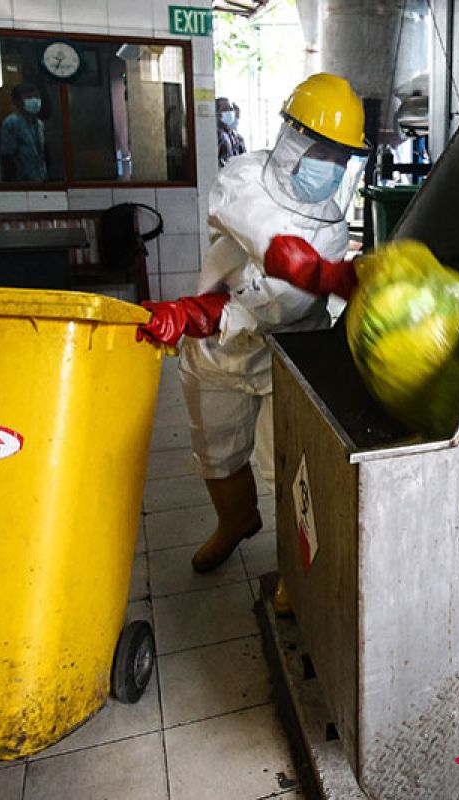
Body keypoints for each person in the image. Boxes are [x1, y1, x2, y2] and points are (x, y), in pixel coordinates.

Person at [137, 74, 368, 609]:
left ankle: (295, 570)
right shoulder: (243, 177)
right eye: (320, 148)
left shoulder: (331, 227)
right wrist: (312, 270)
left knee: (285, 468)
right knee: (215, 452)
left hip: (283, 357)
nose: (329, 165)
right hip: (213, 353)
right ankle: (235, 522)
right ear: (291, 140)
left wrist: (200, 312)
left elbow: (279, 307)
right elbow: (257, 234)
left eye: (341, 156)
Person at [0, 83, 47, 182]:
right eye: (29, 97)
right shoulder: (12, 123)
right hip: (21, 180)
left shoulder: (39, 124)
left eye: (36, 96)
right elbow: (7, 156)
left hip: (41, 178)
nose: (34, 100)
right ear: (17, 102)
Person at [216, 97, 246, 167]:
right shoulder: (219, 136)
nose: (229, 112)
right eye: (225, 110)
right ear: (216, 114)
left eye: (230, 109)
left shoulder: (232, 134)